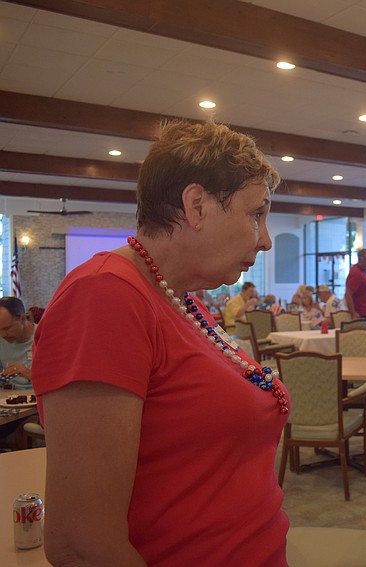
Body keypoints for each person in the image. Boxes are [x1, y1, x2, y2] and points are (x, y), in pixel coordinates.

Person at [30, 120, 289, 565]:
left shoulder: (183, 300)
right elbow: (82, 544)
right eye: (256, 213)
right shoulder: (104, 297)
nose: (265, 240)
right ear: (197, 206)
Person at [0, 296, 35, 386]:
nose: (3, 335)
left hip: (38, 394)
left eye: (6, 328)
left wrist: (29, 374)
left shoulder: (45, 337)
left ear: (23, 319)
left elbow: (59, 380)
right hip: (7, 395)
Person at [344, 248, 366, 318]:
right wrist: (353, 313)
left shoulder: (363, 271)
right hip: (362, 314)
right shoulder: (357, 273)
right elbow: (348, 294)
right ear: (361, 259)